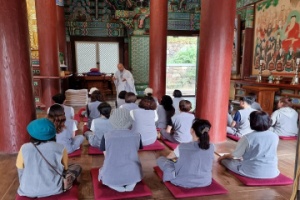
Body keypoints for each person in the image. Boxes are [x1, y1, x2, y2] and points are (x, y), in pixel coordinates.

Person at [16, 118, 81, 198]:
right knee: (77, 167)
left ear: (32, 134)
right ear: (53, 133)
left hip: (27, 190)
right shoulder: (60, 148)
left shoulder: (24, 148)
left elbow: (20, 169)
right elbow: (65, 168)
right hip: (54, 189)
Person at [219, 111, 280, 179]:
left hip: (251, 171)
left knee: (225, 161)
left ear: (252, 122)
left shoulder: (247, 137)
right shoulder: (275, 136)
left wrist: (224, 156)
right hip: (272, 172)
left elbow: (235, 155)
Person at [157, 118, 214, 188]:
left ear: (191, 130)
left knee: (161, 159)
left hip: (183, 181)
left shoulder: (183, 146)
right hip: (205, 181)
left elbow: (169, 157)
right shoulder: (212, 146)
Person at [98, 108, 142, 192]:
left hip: (112, 172)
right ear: (129, 120)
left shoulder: (106, 136)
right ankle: (131, 184)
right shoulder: (137, 135)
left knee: (102, 170)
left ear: (112, 120)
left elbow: (106, 156)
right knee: (134, 172)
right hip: (132, 172)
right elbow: (136, 151)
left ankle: (117, 186)